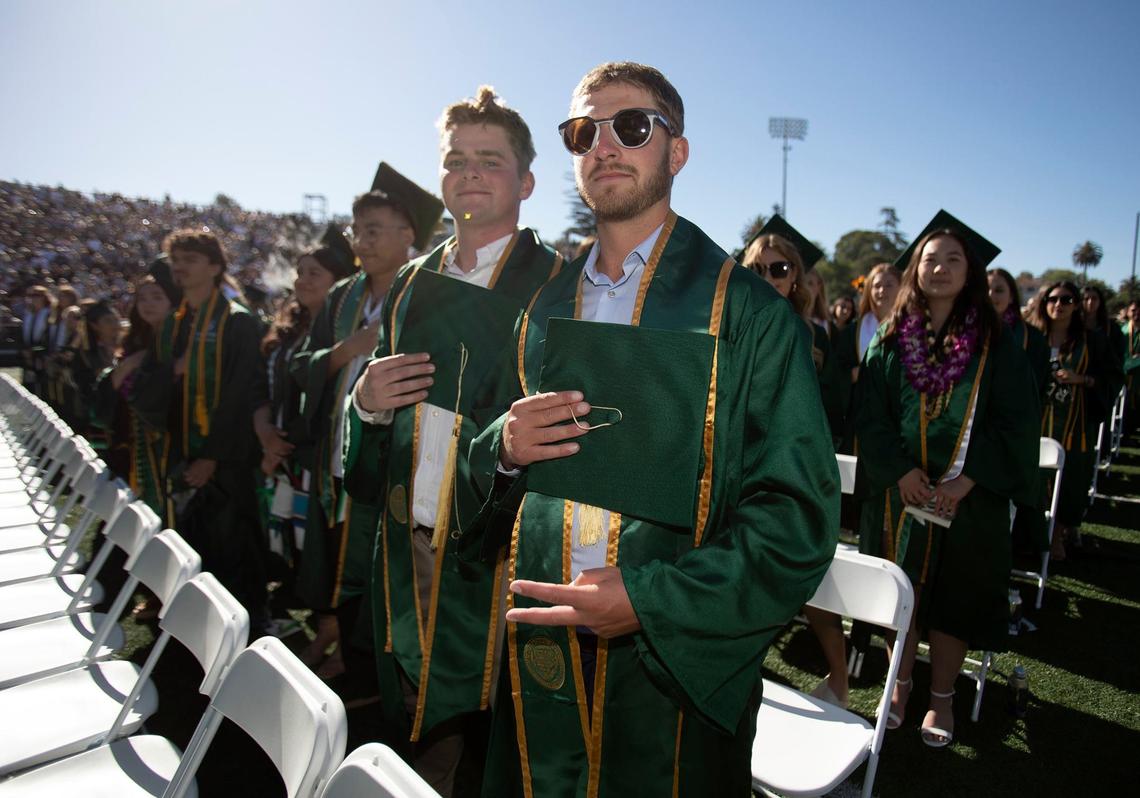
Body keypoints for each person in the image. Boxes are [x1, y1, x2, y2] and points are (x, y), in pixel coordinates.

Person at [465, 62, 837, 796]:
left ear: (678, 151)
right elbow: (488, 450)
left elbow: (797, 520)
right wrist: (503, 449)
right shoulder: (542, 307)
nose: (603, 146)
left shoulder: (747, 314)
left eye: (631, 126)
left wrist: (652, 600)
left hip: (670, 658)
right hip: (543, 625)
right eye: (583, 132)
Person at [346, 89, 563, 796]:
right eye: (456, 160)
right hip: (412, 533)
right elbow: (377, 419)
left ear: (526, 182)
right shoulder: (411, 283)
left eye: (490, 160)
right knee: (421, 712)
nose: (470, 172)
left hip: (505, 546)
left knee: (507, 728)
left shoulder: (559, 286)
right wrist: (366, 404)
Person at [855, 210, 1038, 748]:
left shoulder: (995, 343)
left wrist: (967, 480)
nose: (939, 268)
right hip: (901, 494)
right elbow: (871, 414)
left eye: (953, 260)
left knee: (954, 600)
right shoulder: (890, 338)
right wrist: (900, 470)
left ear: (970, 272)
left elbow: (1016, 421)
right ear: (915, 269)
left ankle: (942, 697)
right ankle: (899, 686)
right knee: (901, 593)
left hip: (968, 501)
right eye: (930, 259)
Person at [292, 167, 444, 683]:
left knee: (375, 562)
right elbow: (301, 366)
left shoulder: (427, 294)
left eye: (375, 229)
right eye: (357, 230)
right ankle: (335, 636)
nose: (362, 240)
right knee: (335, 552)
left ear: (409, 234)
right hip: (336, 452)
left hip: (390, 458)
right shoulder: (342, 297)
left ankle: (360, 661)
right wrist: (346, 350)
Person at [130, 228, 269, 629]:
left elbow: (241, 394)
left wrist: (212, 455)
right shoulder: (175, 323)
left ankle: (245, 628)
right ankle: (197, 625)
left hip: (227, 460)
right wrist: (173, 373)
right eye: (176, 260)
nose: (180, 267)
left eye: (190, 259)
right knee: (194, 543)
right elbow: (150, 382)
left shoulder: (237, 322)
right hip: (179, 452)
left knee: (234, 545)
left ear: (215, 266)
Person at [257, 223, 356, 672]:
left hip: (314, 458)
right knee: (300, 549)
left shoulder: (347, 330)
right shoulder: (288, 327)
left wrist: (284, 443)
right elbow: (264, 390)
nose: (302, 280)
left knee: (322, 551)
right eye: (300, 271)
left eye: (315, 272)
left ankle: (330, 634)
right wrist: (266, 432)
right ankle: (322, 629)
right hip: (282, 455)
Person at [1028, 281, 1119, 560]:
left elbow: (1112, 377)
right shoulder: (1032, 336)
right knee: (1031, 479)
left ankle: (1057, 536)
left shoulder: (1092, 341)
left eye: (1067, 300)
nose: (1059, 304)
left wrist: (1082, 379)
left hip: (1074, 425)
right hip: (1034, 420)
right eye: (1053, 299)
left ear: (1076, 305)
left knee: (1070, 482)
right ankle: (1029, 535)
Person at [94, 262, 180, 511]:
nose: (148, 304)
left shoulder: (179, 343)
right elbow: (106, 396)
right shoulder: (134, 343)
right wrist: (128, 365)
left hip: (163, 445)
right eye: (142, 298)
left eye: (157, 297)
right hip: (129, 443)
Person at [988, 267, 1051, 558]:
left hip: (1010, 437)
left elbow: (1032, 393)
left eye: (999, 289)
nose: (991, 295)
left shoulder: (1032, 339)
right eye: (986, 289)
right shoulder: (962, 333)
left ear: (1012, 296)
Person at [19, 285, 52, 395]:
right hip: (27, 357)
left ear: (44, 297)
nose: (33, 298)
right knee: (28, 388)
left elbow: (48, 337)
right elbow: (22, 335)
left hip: (42, 355)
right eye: (30, 296)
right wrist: (25, 351)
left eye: (36, 295)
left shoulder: (49, 314)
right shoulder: (28, 314)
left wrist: (34, 350)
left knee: (42, 388)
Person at [1123, 299, 1140, 431]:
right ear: (1128, 312)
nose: (1137, 314)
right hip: (1124, 379)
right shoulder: (1122, 331)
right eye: (1133, 310)